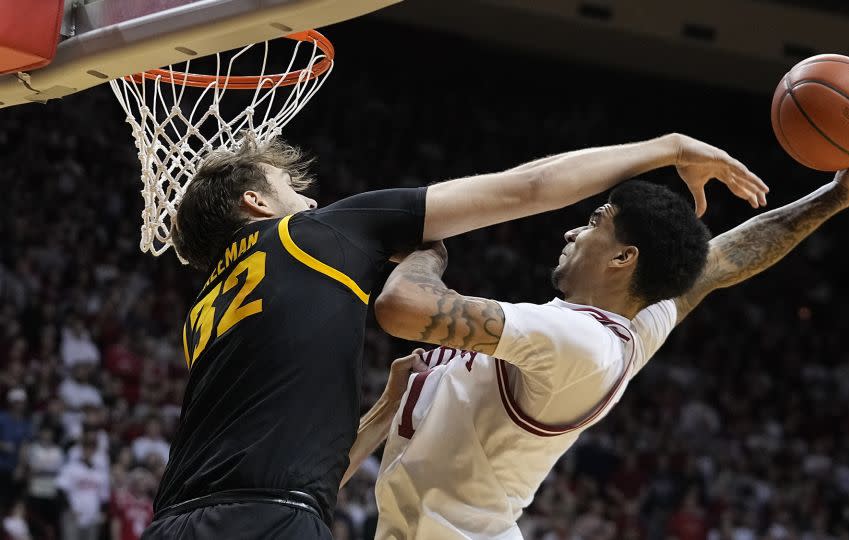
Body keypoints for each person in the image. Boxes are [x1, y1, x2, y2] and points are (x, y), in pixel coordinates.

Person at [142, 131, 767, 540]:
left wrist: (386, 412)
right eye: (293, 193)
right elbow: (530, 187)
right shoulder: (315, 234)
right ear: (256, 203)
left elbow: (289, 462)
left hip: (172, 521)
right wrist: (670, 147)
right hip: (269, 520)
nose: (310, 202)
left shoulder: (203, 314)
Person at [360, 104, 849, 538]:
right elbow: (722, 262)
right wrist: (835, 197)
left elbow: (401, 307)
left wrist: (427, 248)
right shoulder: (628, 329)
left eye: (595, 222)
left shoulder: (576, 341)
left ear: (623, 259)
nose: (572, 232)